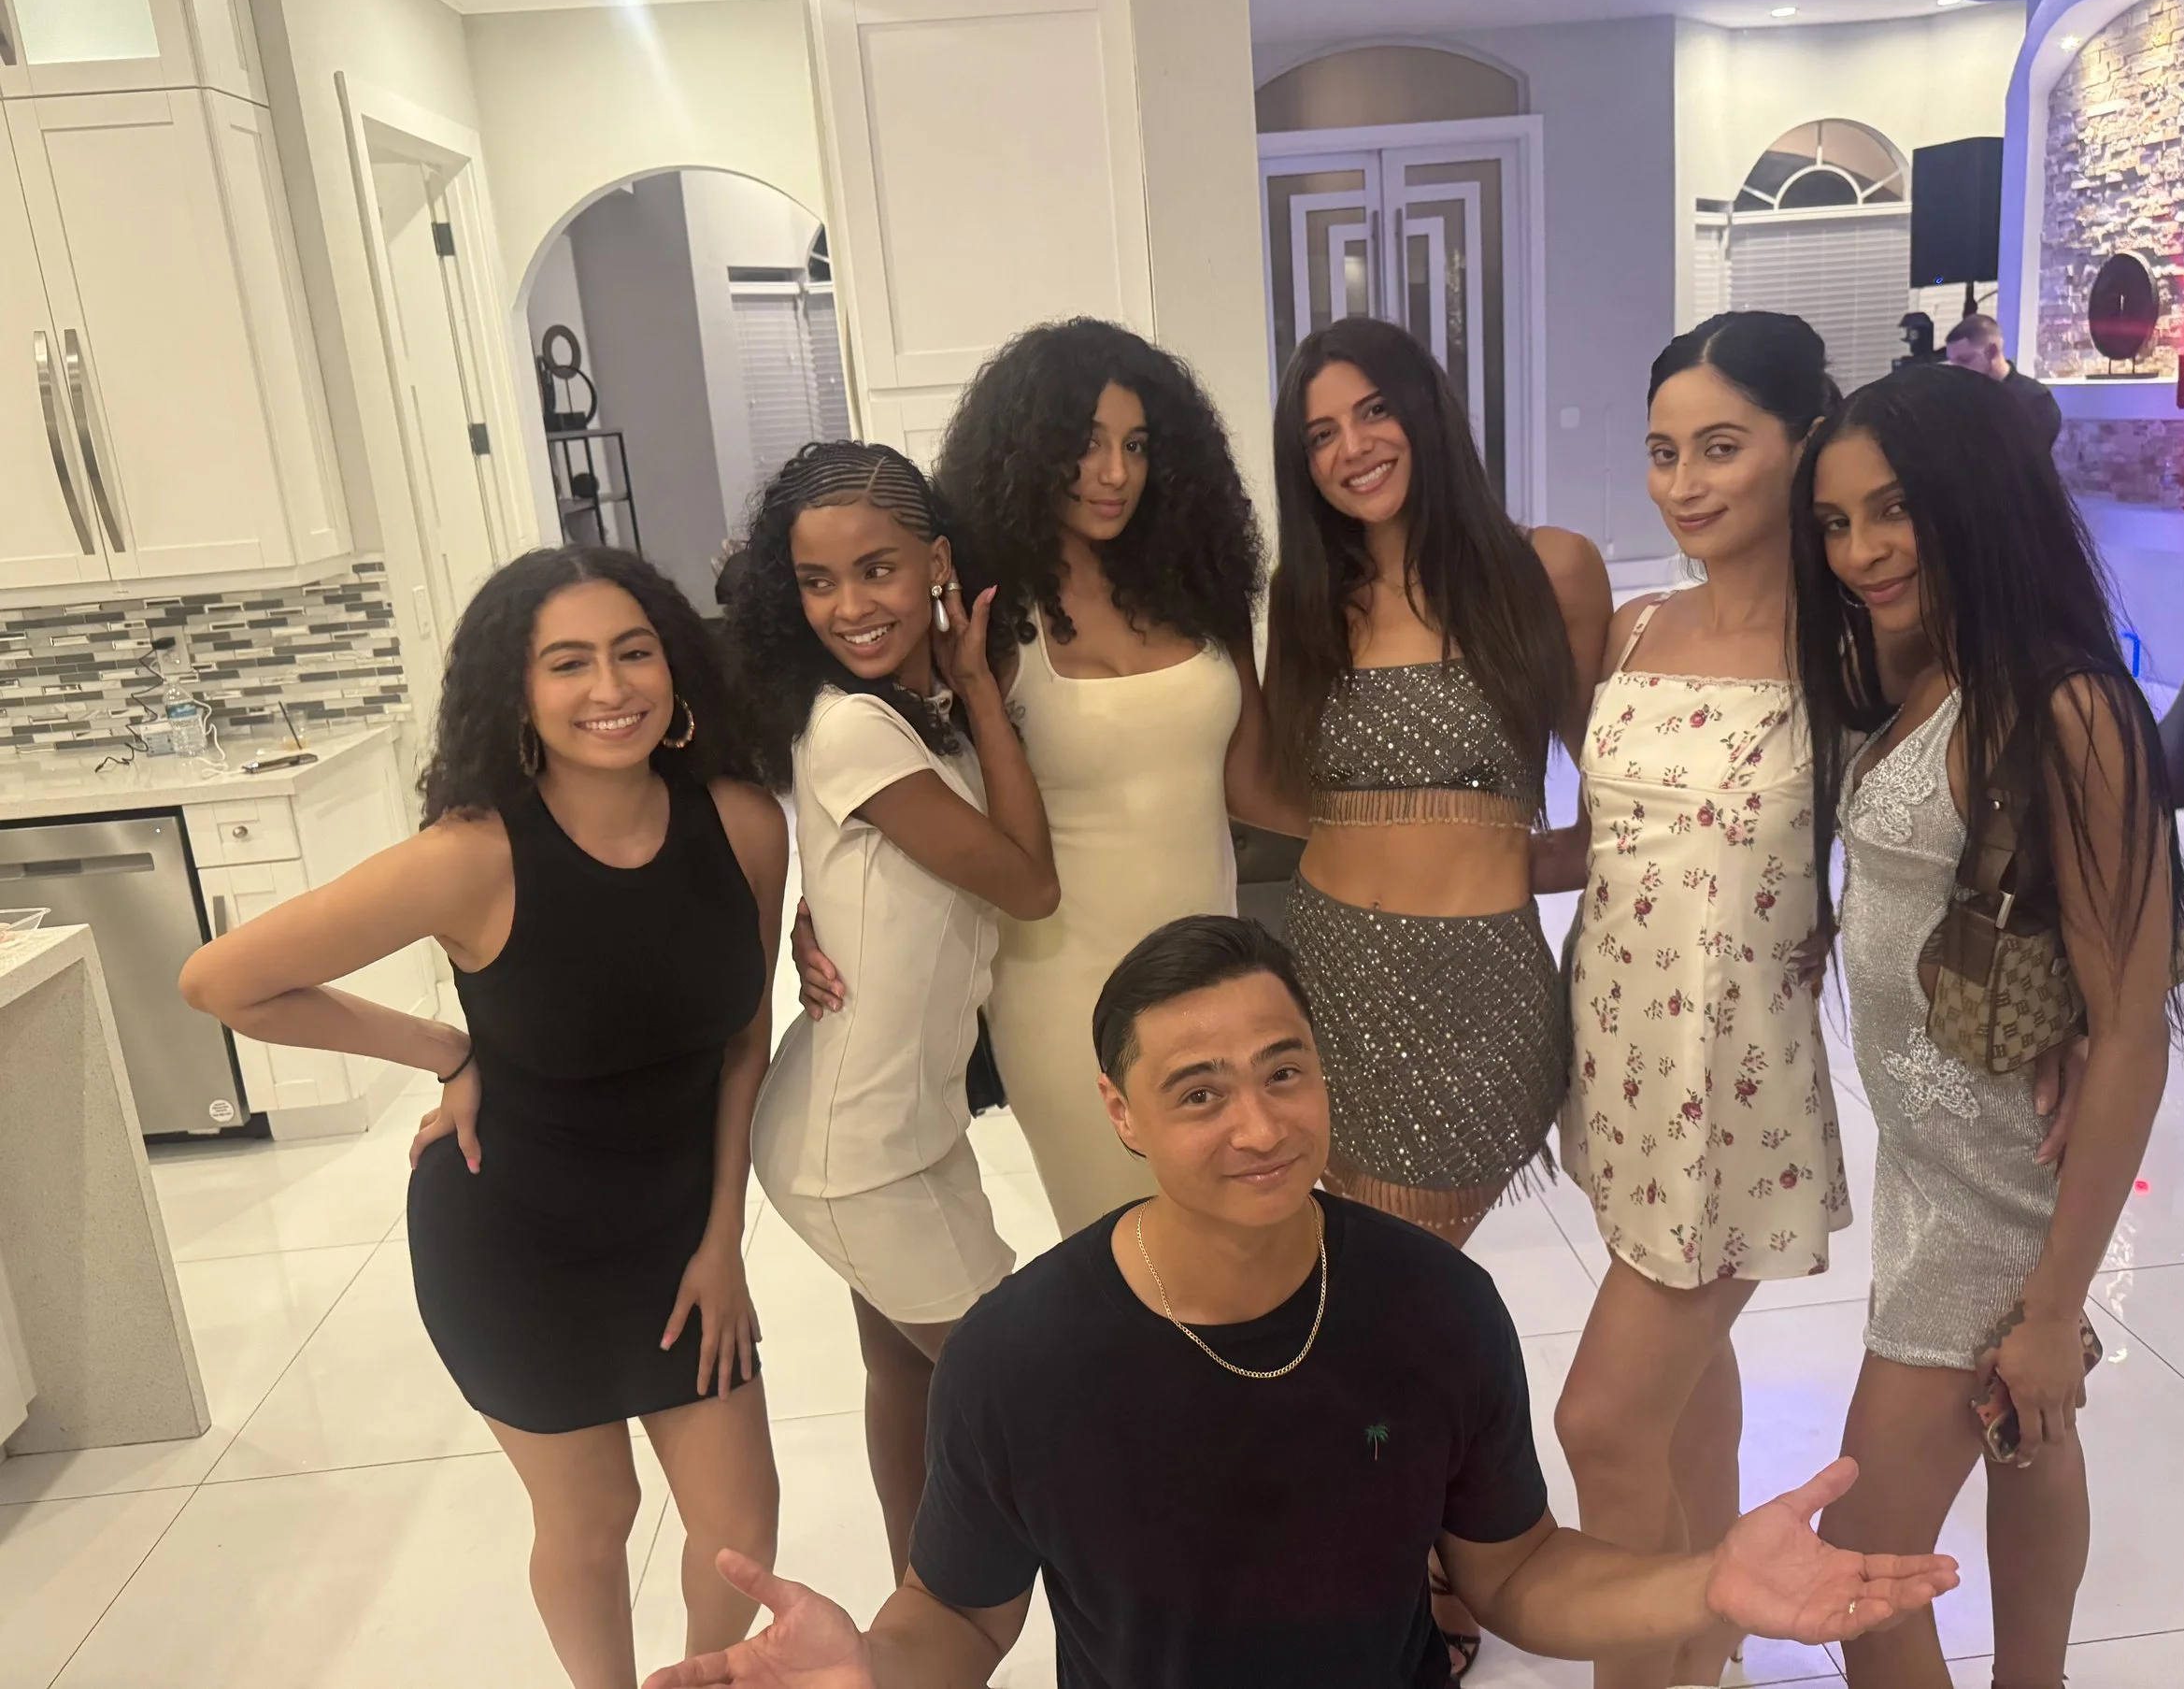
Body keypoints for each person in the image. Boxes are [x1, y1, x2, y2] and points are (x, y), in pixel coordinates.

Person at [642, 914, 1962, 1689]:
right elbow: (962, 1615)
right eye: (1199, 1091)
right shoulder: (1020, 1355)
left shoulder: (1435, 1308)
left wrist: (1706, 1582)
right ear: (1121, 1113)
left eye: (1285, 1071)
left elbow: (1515, 1571)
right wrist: (872, 1669)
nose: (1262, 1125)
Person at [179, 547, 789, 1689]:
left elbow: (744, 1041)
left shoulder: (744, 823)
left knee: (740, 1529)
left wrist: (724, 1238)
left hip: (677, 1232)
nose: (609, 687)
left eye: (634, 652)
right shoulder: (472, 856)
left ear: (676, 667)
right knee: (593, 1514)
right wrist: (446, 1049)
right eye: (568, 663)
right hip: (514, 1238)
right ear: (518, 692)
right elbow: (221, 982)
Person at [1792, 361, 2184, 1688]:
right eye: (1837, 521)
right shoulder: (1924, 671)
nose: (1860, 551)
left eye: (1893, 509)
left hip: (1994, 1197)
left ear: (1974, 496)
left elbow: (2130, 1029)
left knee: (1860, 1561)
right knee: (2030, 1441)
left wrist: (2055, 1301)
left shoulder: (2065, 705)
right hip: (1931, 1162)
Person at [792, 318, 1286, 1235]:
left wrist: (1406, 823)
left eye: (1136, 445)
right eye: (1085, 443)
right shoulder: (982, 619)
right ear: (1027, 450)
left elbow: (1252, 785)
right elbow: (893, 778)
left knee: (1237, 1232)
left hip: (1215, 966)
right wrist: (814, 908)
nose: (1114, 472)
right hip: (1061, 988)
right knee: (1121, 1243)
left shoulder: (1200, 590)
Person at [1544, 312, 1852, 1689]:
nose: (1683, 483)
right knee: (1680, 1401)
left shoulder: (1851, 652)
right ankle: (1703, 1650)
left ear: (1804, 443)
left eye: (1721, 447)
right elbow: (1609, 841)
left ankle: (1650, 1667)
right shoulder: (1634, 626)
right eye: (1664, 451)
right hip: (1619, 1056)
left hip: (1733, 1086)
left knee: (1602, 1422)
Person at [728, 441, 1052, 1580]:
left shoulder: (909, 712)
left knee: (905, 1375)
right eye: (817, 582)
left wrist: (967, 695)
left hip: (903, 1127)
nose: (849, 607)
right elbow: (1030, 884)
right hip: (854, 1149)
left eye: (876, 570)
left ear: (937, 563)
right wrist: (981, 693)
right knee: (1026, 1391)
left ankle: (918, 1608)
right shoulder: (857, 726)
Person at [1263, 313, 1610, 1250]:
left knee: (1405, 1268)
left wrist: (1507, 856)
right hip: (1333, 978)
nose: (1353, 447)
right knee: (1348, 1262)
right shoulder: (1305, 599)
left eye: (1374, 411)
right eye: (1321, 434)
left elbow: (1618, 785)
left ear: (1425, 410)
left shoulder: (1550, 570)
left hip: (1480, 990)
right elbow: (1275, 786)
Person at [1942, 314, 2062, 449]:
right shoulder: (1958, 396)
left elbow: (2029, 454)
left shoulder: (2034, 399)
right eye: (1953, 363)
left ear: (1992, 351)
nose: (1956, 370)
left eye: (1965, 360)